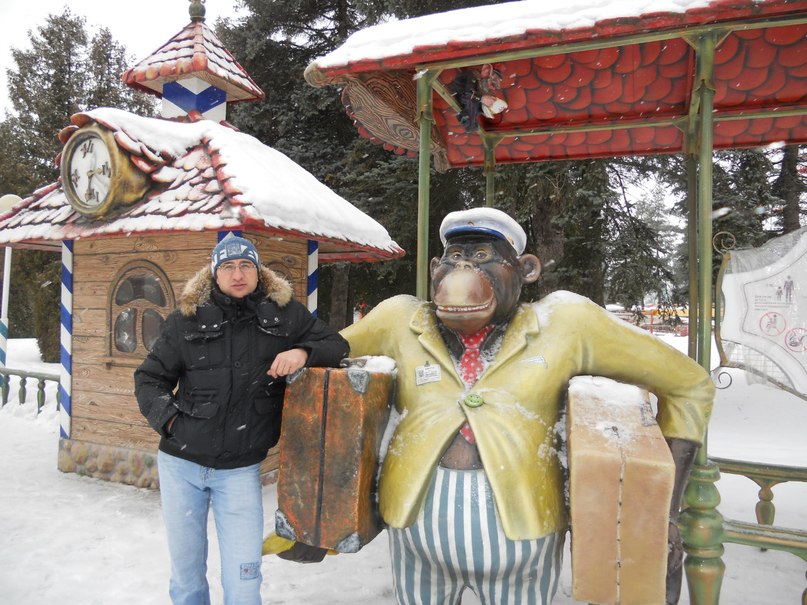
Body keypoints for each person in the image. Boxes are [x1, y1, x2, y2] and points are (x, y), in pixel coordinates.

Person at [340, 208, 714, 605]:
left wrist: (663, 510)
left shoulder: (566, 323)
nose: (462, 270)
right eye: (453, 258)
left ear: (526, 269)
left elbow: (689, 385)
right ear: (434, 268)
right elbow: (322, 355)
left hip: (524, 534)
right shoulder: (399, 319)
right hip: (416, 529)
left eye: (483, 256)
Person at [135, 235, 349, 605]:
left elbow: (338, 345)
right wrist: (171, 424)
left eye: (246, 265)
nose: (238, 274)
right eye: (228, 266)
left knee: (245, 578)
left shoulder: (284, 315)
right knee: (187, 579)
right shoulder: (186, 319)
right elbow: (149, 379)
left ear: (258, 271)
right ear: (215, 274)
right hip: (180, 466)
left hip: (239, 471)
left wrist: (302, 351)